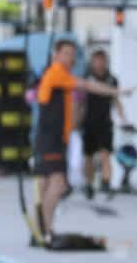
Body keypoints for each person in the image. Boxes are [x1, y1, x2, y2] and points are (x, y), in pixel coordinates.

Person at [33, 39, 122, 240]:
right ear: (55, 55)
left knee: (46, 184)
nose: (70, 58)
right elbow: (87, 85)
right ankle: (45, 229)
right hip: (51, 138)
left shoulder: (60, 74)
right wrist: (116, 91)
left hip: (53, 137)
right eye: (65, 53)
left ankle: (42, 230)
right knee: (58, 184)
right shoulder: (56, 72)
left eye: (72, 54)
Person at [79, 48, 126, 201]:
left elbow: (116, 100)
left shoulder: (112, 79)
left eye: (102, 60)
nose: (100, 64)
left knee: (106, 153)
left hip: (105, 122)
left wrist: (123, 118)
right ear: (92, 62)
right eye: (97, 60)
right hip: (88, 122)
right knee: (88, 156)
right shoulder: (86, 77)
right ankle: (89, 183)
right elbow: (80, 102)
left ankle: (106, 182)